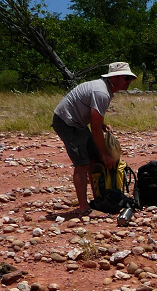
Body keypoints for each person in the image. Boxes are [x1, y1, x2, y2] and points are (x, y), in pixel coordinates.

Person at [51, 61, 136, 218]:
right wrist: (105, 154)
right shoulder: (102, 92)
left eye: (131, 78)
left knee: (94, 159)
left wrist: (102, 125)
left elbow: (94, 118)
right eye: (126, 78)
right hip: (67, 122)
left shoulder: (104, 89)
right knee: (82, 164)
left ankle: (99, 198)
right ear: (114, 78)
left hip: (79, 123)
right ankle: (84, 209)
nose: (129, 81)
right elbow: (95, 129)